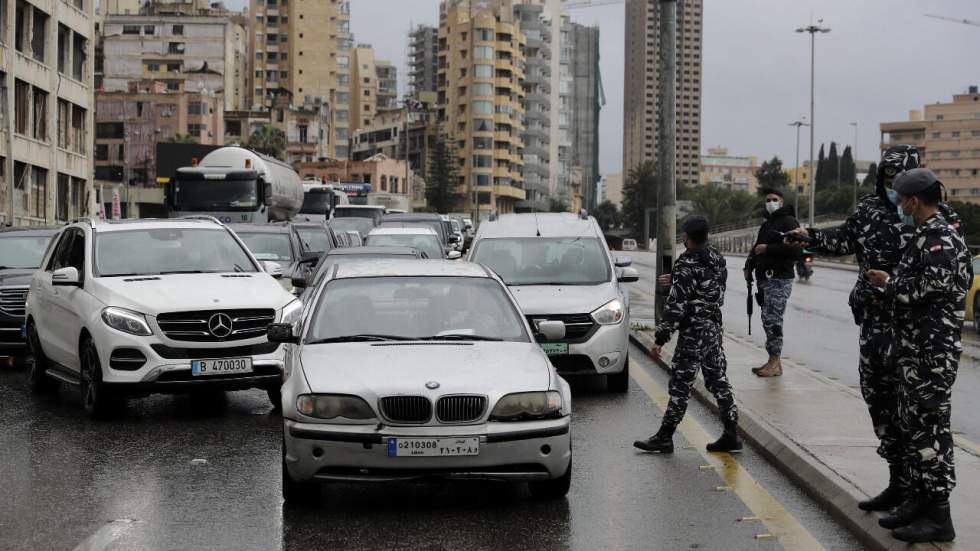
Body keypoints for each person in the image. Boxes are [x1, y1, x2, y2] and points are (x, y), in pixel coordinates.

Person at [786, 145, 962, 515]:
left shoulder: (936, 218)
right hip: (877, 326)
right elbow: (845, 240)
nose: (891, 188)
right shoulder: (868, 210)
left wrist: (893, 284)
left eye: (898, 181)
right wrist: (810, 238)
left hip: (915, 330)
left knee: (916, 414)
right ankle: (899, 483)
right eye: (886, 179)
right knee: (882, 408)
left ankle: (923, 495)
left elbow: (942, 278)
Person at [865, 168, 969, 543]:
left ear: (912, 200)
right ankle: (920, 502)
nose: (898, 204)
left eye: (899, 198)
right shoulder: (923, 237)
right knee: (913, 430)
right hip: (914, 351)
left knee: (930, 433)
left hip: (932, 355)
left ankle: (939, 515)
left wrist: (890, 283)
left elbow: (928, 288)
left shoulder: (940, 239)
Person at [633, 216, 740, 454]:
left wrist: (660, 339)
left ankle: (665, 436)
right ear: (707, 235)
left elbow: (675, 307)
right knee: (717, 379)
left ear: (686, 237)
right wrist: (678, 280)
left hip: (693, 332)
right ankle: (731, 433)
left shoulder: (686, 263)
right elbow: (711, 290)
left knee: (681, 383)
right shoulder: (716, 258)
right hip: (712, 328)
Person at [744, 188, 799, 377]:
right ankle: (774, 361)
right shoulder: (768, 224)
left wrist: (768, 249)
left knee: (773, 320)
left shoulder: (789, 222)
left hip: (779, 278)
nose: (771, 202)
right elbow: (756, 247)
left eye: (774, 199)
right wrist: (748, 266)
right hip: (764, 280)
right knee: (767, 319)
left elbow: (795, 251)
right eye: (767, 200)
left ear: (782, 202)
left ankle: (774, 361)